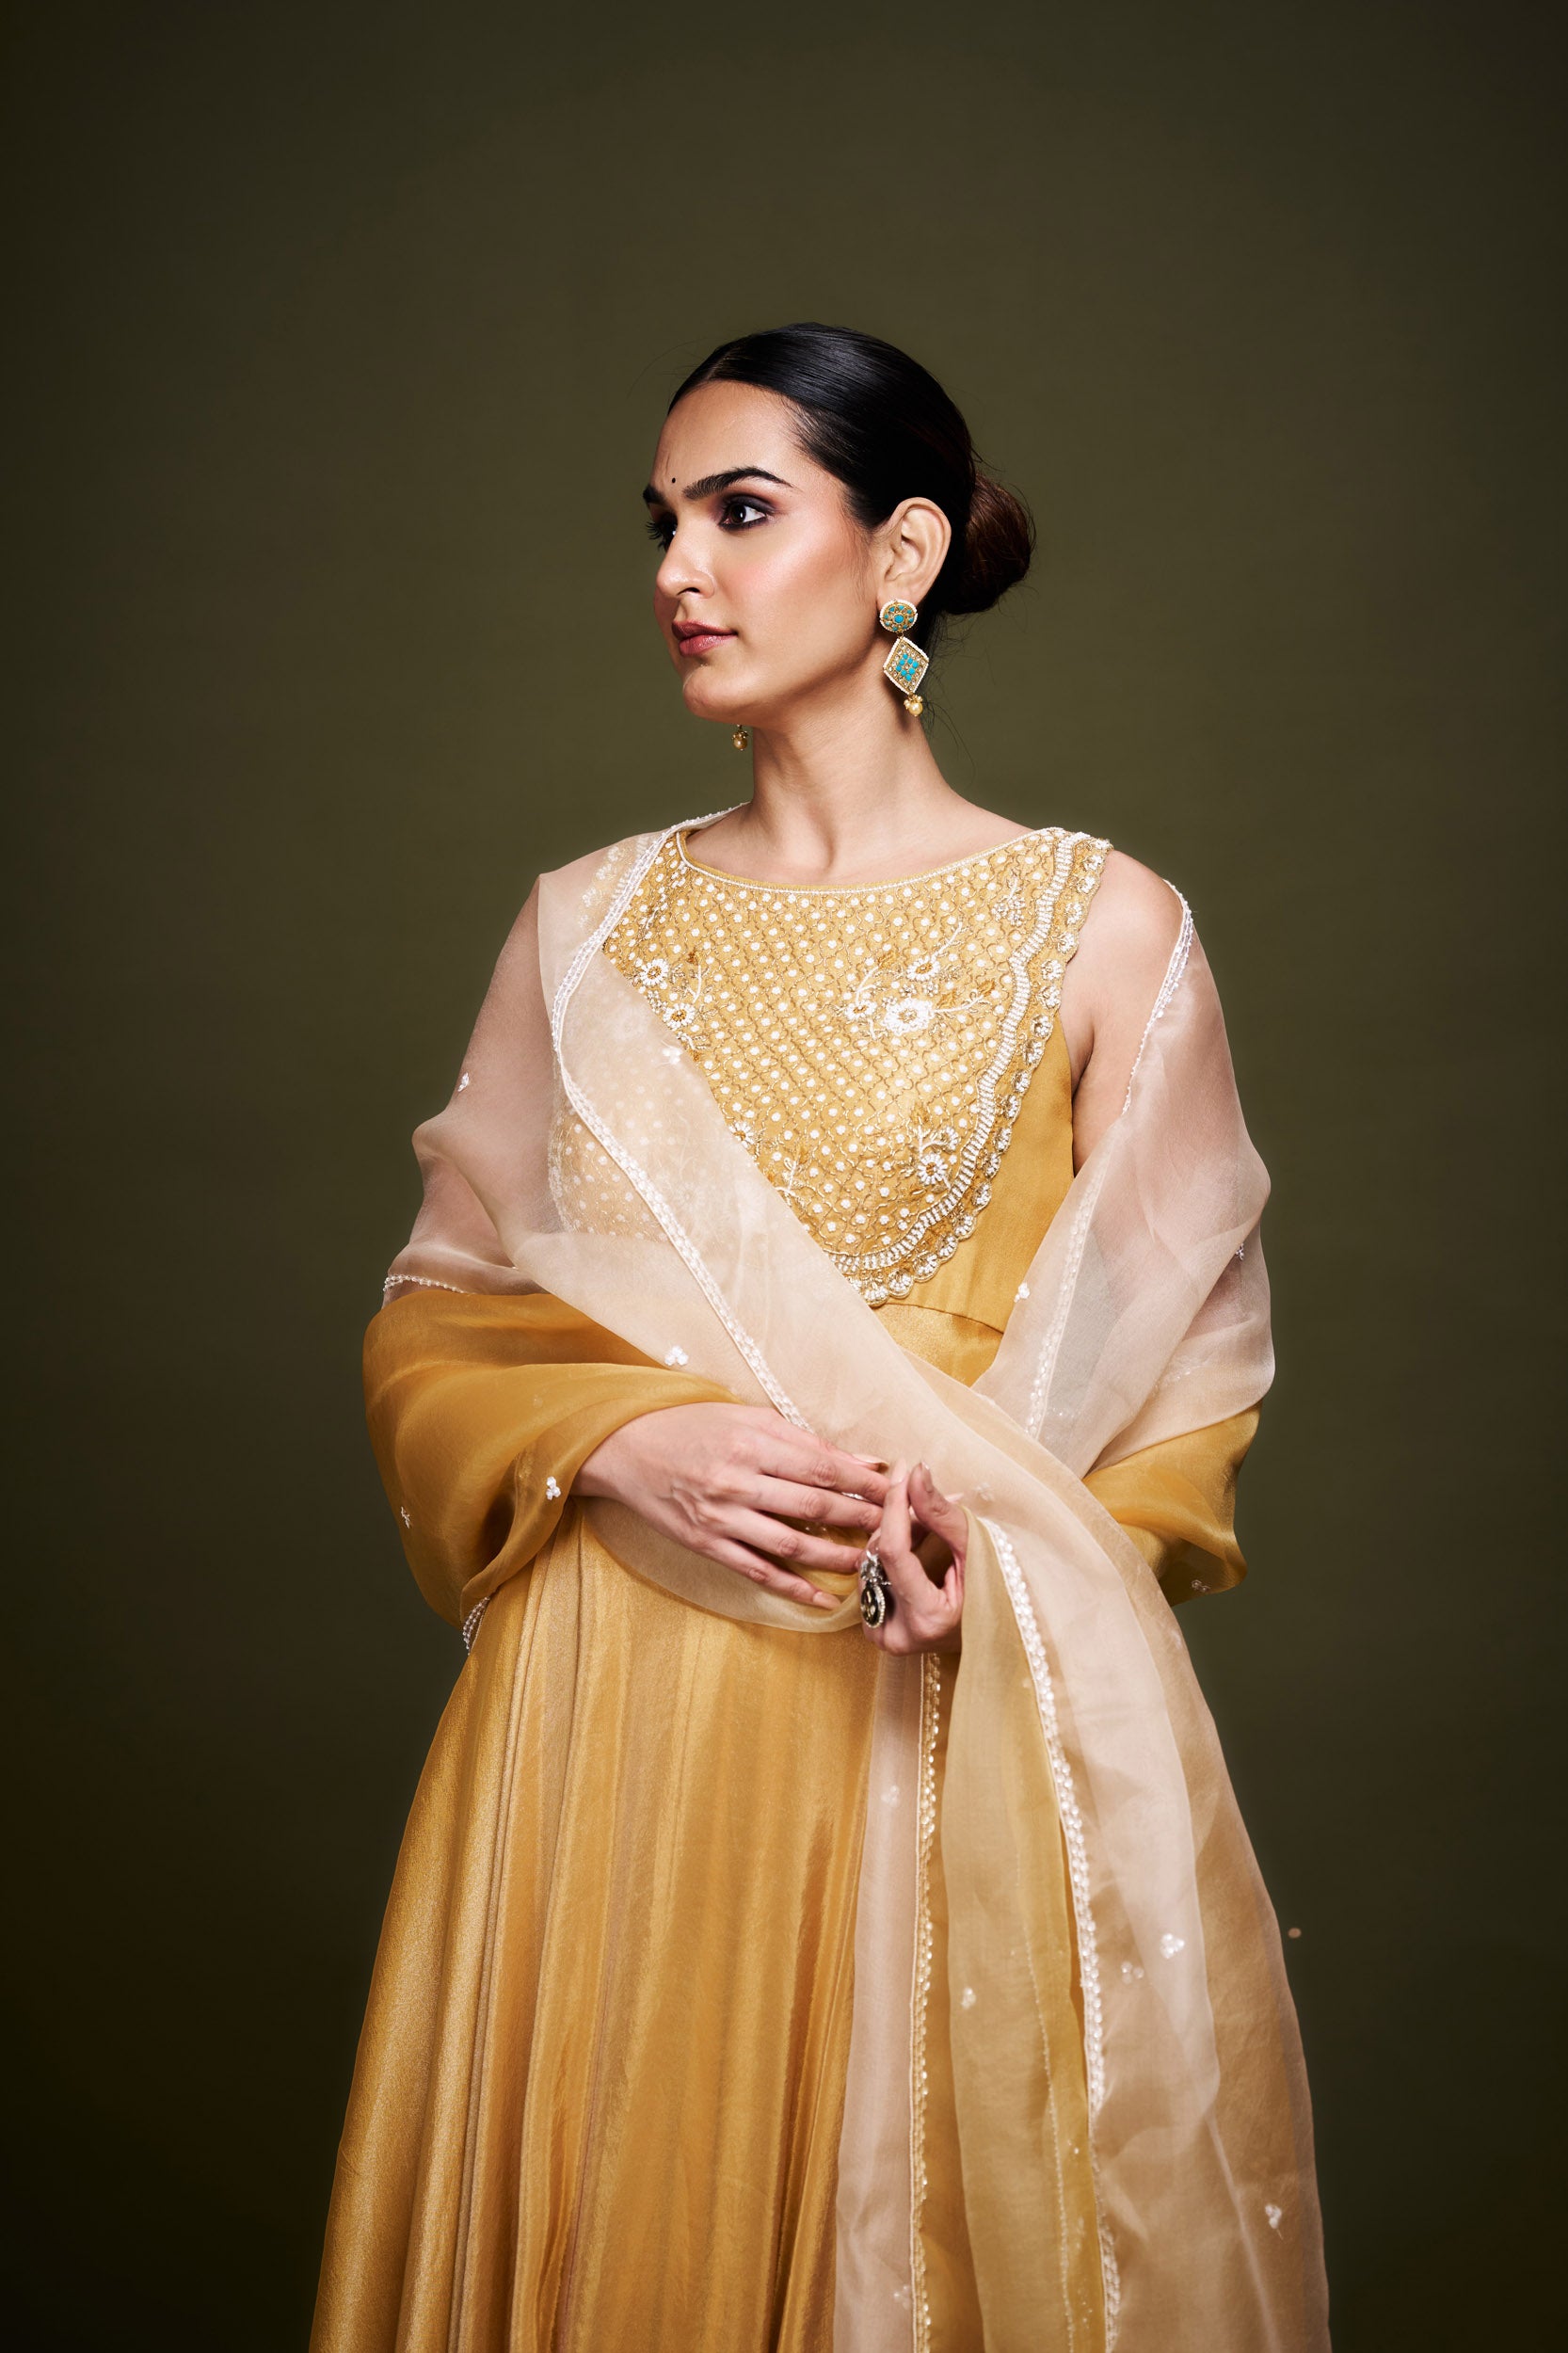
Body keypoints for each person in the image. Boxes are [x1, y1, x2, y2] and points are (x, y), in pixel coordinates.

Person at [311, 323, 1328, 2353]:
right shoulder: (583, 926)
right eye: (663, 523)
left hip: (933, 1704)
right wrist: (616, 1442)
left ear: (901, 554)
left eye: (740, 512)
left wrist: (1008, 1565)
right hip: (610, 1705)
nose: (678, 568)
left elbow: (1187, 1377)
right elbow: (438, 1317)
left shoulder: (1104, 926)